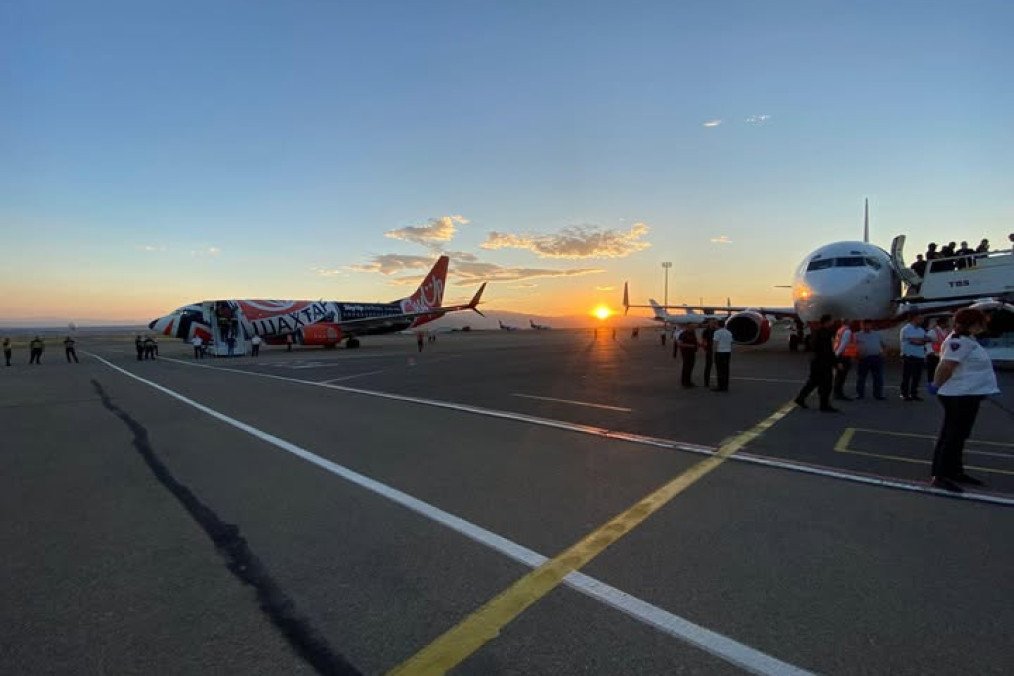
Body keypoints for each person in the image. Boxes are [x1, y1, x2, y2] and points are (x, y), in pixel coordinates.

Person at [927, 308, 1000, 492]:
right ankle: (940, 475)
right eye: (980, 323)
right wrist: (936, 385)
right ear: (972, 324)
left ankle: (955, 471)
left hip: (968, 395)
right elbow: (946, 366)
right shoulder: (958, 342)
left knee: (958, 436)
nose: (982, 326)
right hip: (958, 396)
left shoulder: (967, 340)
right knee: (951, 436)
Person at [794, 314, 838, 411]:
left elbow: (814, 346)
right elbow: (828, 350)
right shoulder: (826, 334)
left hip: (816, 361)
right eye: (831, 321)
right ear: (827, 322)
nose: (833, 322)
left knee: (813, 382)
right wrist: (835, 362)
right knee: (826, 384)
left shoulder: (817, 332)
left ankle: (800, 398)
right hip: (823, 363)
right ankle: (824, 405)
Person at [854, 321, 886, 400]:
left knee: (878, 377)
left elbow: (883, 345)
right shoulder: (856, 335)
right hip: (863, 359)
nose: (866, 326)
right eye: (864, 325)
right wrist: (856, 355)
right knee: (861, 377)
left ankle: (878, 394)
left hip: (876, 358)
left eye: (868, 325)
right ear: (861, 325)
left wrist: (883, 353)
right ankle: (860, 394)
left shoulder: (877, 334)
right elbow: (852, 346)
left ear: (871, 325)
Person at [899, 315, 927, 401]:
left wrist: (921, 341)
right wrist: (921, 341)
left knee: (917, 376)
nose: (922, 321)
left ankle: (914, 394)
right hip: (909, 356)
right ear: (914, 319)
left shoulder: (921, 330)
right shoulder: (906, 329)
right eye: (920, 319)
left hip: (919, 356)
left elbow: (925, 340)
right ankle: (904, 394)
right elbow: (913, 341)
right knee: (907, 376)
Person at [832, 319, 858, 401]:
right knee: (841, 376)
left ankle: (836, 393)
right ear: (848, 322)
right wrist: (838, 355)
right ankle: (838, 394)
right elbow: (844, 343)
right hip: (844, 356)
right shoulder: (847, 331)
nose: (852, 322)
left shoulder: (840, 330)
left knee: (838, 376)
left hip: (840, 354)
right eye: (850, 321)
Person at [712, 320, 733, 391]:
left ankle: (720, 386)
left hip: (720, 353)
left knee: (719, 370)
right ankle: (725, 386)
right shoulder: (729, 332)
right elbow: (731, 343)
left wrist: (713, 353)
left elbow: (715, 343)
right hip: (727, 353)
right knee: (726, 370)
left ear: (718, 325)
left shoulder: (717, 332)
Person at [677, 323, 698, 387]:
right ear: (688, 327)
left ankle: (688, 382)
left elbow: (695, 342)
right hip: (686, 353)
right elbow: (680, 344)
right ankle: (685, 382)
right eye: (692, 327)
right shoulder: (683, 334)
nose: (694, 328)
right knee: (686, 367)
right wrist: (690, 346)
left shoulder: (693, 333)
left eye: (694, 327)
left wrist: (699, 345)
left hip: (692, 352)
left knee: (690, 367)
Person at [701, 320, 716, 388]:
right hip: (709, 350)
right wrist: (705, 349)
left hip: (716, 350)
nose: (713, 324)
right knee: (708, 366)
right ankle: (706, 382)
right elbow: (704, 340)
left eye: (714, 323)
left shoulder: (716, 330)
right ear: (709, 324)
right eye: (712, 323)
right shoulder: (706, 331)